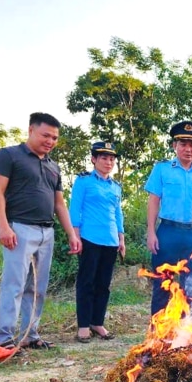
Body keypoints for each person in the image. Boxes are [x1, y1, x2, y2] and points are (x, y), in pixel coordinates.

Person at [0, 112, 82, 350]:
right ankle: (5, 339)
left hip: (46, 232)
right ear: (31, 130)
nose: (50, 141)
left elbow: (59, 204)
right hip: (18, 229)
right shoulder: (9, 155)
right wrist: (4, 226)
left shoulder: (54, 166)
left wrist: (72, 234)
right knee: (15, 285)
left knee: (38, 288)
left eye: (54, 137)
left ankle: (30, 334)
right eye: (45, 135)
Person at [145, 121, 192, 315]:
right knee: (162, 283)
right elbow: (153, 201)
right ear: (174, 146)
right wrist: (151, 232)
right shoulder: (162, 169)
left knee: (191, 287)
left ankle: (185, 334)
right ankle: (157, 332)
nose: (188, 149)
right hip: (167, 233)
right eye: (183, 144)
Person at [69, 142, 125, 343]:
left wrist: (121, 238)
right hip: (89, 238)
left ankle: (97, 322)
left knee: (104, 284)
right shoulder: (83, 182)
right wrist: (74, 236)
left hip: (110, 240)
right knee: (87, 282)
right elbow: (75, 209)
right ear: (93, 159)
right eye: (103, 157)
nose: (108, 162)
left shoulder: (116, 186)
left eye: (111, 159)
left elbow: (118, 213)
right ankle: (84, 325)